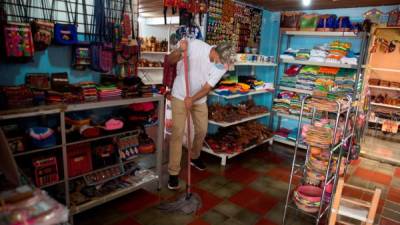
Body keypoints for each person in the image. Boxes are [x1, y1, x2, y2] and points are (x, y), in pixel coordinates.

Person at [167, 39, 235, 190]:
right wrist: (180, 50)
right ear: (216, 51)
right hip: (179, 95)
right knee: (177, 132)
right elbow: (170, 60)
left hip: (198, 99)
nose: (223, 65)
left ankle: (194, 156)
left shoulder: (222, 65)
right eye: (222, 61)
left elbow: (207, 87)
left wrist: (192, 99)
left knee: (202, 130)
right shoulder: (196, 46)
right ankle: (173, 173)